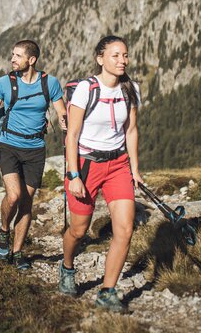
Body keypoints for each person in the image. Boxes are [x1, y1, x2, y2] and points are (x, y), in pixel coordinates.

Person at [59, 35, 142, 312]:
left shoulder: (131, 89)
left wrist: (135, 169)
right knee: (79, 230)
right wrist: (73, 176)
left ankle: (108, 291)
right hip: (86, 165)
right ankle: (67, 266)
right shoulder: (86, 89)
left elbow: (130, 131)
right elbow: (72, 136)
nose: (122, 61)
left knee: (125, 230)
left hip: (118, 165)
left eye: (125, 55)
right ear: (100, 59)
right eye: (116, 55)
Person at [0, 39, 66, 270]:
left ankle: (18, 252)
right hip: (8, 145)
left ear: (32, 60)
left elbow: (62, 111)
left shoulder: (50, 83)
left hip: (36, 149)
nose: (12, 60)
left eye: (18, 56)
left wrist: (63, 120)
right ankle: (4, 230)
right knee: (14, 196)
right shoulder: (4, 83)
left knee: (27, 204)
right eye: (12, 55)